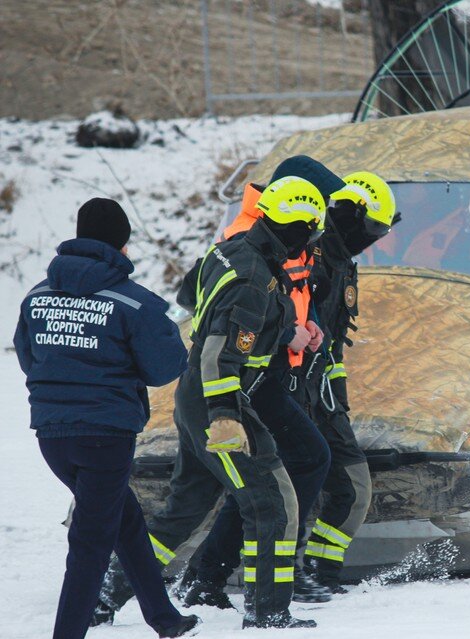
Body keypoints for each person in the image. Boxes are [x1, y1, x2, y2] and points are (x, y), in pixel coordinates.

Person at [13, 198, 200, 639]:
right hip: (105, 436)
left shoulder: (36, 296)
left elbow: (27, 357)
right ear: (122, 244)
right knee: (91, 543)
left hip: (52, 435)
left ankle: (165, 618)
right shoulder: (134, 302)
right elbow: (164, 368)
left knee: (124, 519)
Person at [179, 156, 348, 607]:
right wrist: (285, 332)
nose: (323, 221)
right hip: (250, 374)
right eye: (321, 205)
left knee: (255, 481)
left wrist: (306, 324)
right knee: (291, 469)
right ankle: (255, 576)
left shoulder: (276, 230)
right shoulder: (251, 236)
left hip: (270, 368)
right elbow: (215, 307)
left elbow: (293, 294)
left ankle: (207, 577)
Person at [299, 171, 399, 594]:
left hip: (322, 397)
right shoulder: (310, 256)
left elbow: (334, 347)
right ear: (350, 212)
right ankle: (291, 573)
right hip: (295, 394)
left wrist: (337, 400)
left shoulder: (343, 265)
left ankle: (321, 571)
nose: (373, 238)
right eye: (373, 227)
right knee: (297, 488)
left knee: (354, 488)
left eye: (381, 231)